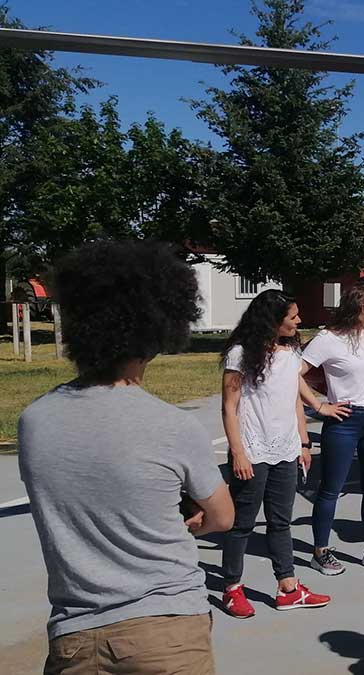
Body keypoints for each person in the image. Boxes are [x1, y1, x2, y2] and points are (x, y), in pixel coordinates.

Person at [18, 240, 234, 674]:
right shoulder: (173, 425)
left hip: (75, 638)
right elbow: (222, 518)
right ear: (158, 330)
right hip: (167, 631)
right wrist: (189, 520)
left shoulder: (33, 421)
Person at [219, 290, 333, 617]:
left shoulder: (289, 352)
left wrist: (303, 442)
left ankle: (288, 588)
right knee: (241, 524)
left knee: (280, 522)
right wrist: (238, 452)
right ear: (273, 320)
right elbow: (229, 408)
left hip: (285, 450)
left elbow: (294, 395)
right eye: (293, 316)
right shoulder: (240, 354)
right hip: (252, 450)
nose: (299, 321)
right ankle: (232, 589)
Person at [301, 284, 364, 576]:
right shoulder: (327, 339)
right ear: (360, 308)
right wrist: (320, 407)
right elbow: (295, 373)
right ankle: (320, 552)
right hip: (343, 422)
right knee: (330, 490)